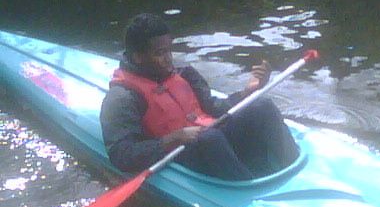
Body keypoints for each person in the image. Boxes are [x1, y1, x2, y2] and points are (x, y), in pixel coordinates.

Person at [100, 13, 299, 180]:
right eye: (159, 53)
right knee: (209, 138)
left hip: (213, 139)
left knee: (261, 105)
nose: (168, 57)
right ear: (137, 57)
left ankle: (291, 165)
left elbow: (215, 107)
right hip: (182, 153)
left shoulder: (185, 74)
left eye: (169, 50)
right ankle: (248, 189)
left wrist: (248, 91)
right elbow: (121, 155)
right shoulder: (123, 98)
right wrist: (174, 138)